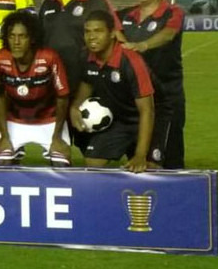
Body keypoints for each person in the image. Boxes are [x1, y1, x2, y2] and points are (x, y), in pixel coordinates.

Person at [69, 10, 162, 173]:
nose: (91, 37)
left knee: (151, 169)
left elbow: (147, 110)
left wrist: (141, 154)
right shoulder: (87, 57)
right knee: (93, 162)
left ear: (112, 34)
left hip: (149, 119)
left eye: (98, 31)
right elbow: (88, 82)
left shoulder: (131, 61)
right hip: (118, 120)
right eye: (87, 32)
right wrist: (75, 106)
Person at [0, 12, 71, 166]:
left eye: (22, 36)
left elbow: (62, 97)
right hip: (15, 119)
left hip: (49, 120)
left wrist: (57, 136)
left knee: (62, 165)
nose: (16, 42)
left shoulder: (49, 57)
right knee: (1, 164)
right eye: (11, 36)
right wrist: (4, 135)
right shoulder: (0, 58)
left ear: (32, 38)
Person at [116, 0, 186, 169]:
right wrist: (122, 42)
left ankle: (176, 196)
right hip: (135, 98)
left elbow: (169, 34)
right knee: (137, 157)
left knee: (169, 156)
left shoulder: (173, 12)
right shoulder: (125, 15)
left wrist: (143, 45)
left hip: (167, 96)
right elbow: (108, 23)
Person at [39, 0, 121, 94]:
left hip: (86, 81)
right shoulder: (48, 3)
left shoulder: (97, 1)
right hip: (51, 81)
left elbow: (116, 36)